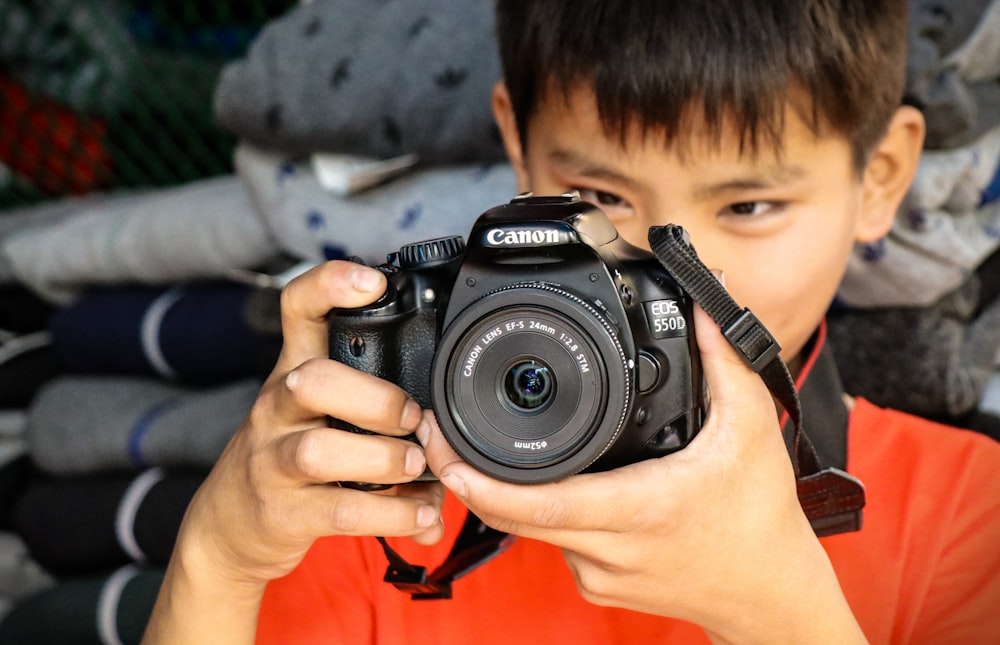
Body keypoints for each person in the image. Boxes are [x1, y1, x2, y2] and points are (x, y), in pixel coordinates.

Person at [143, 1, 1000, 643]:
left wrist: (776, 605)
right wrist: (217, 557)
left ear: (881, 176)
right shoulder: (384, 494)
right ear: (517, 146)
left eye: (748, 203)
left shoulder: (974, 508)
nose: (673, 272)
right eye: (600, 199)